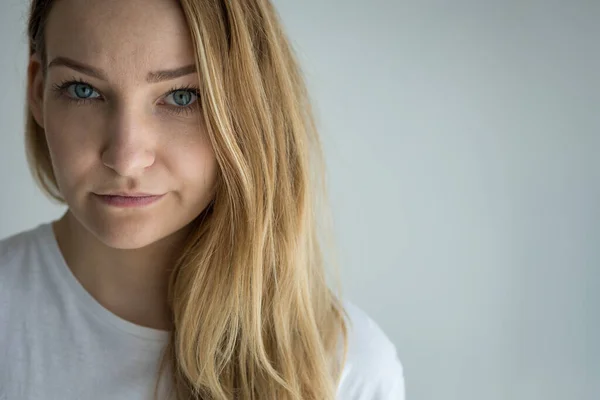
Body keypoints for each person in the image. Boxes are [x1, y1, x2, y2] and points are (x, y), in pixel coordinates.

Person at [0, 0, 404, 399]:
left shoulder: (344, 370)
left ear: (248, 107)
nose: (125, 158)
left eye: (181, 97)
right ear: (38, 92)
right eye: (83, 89)